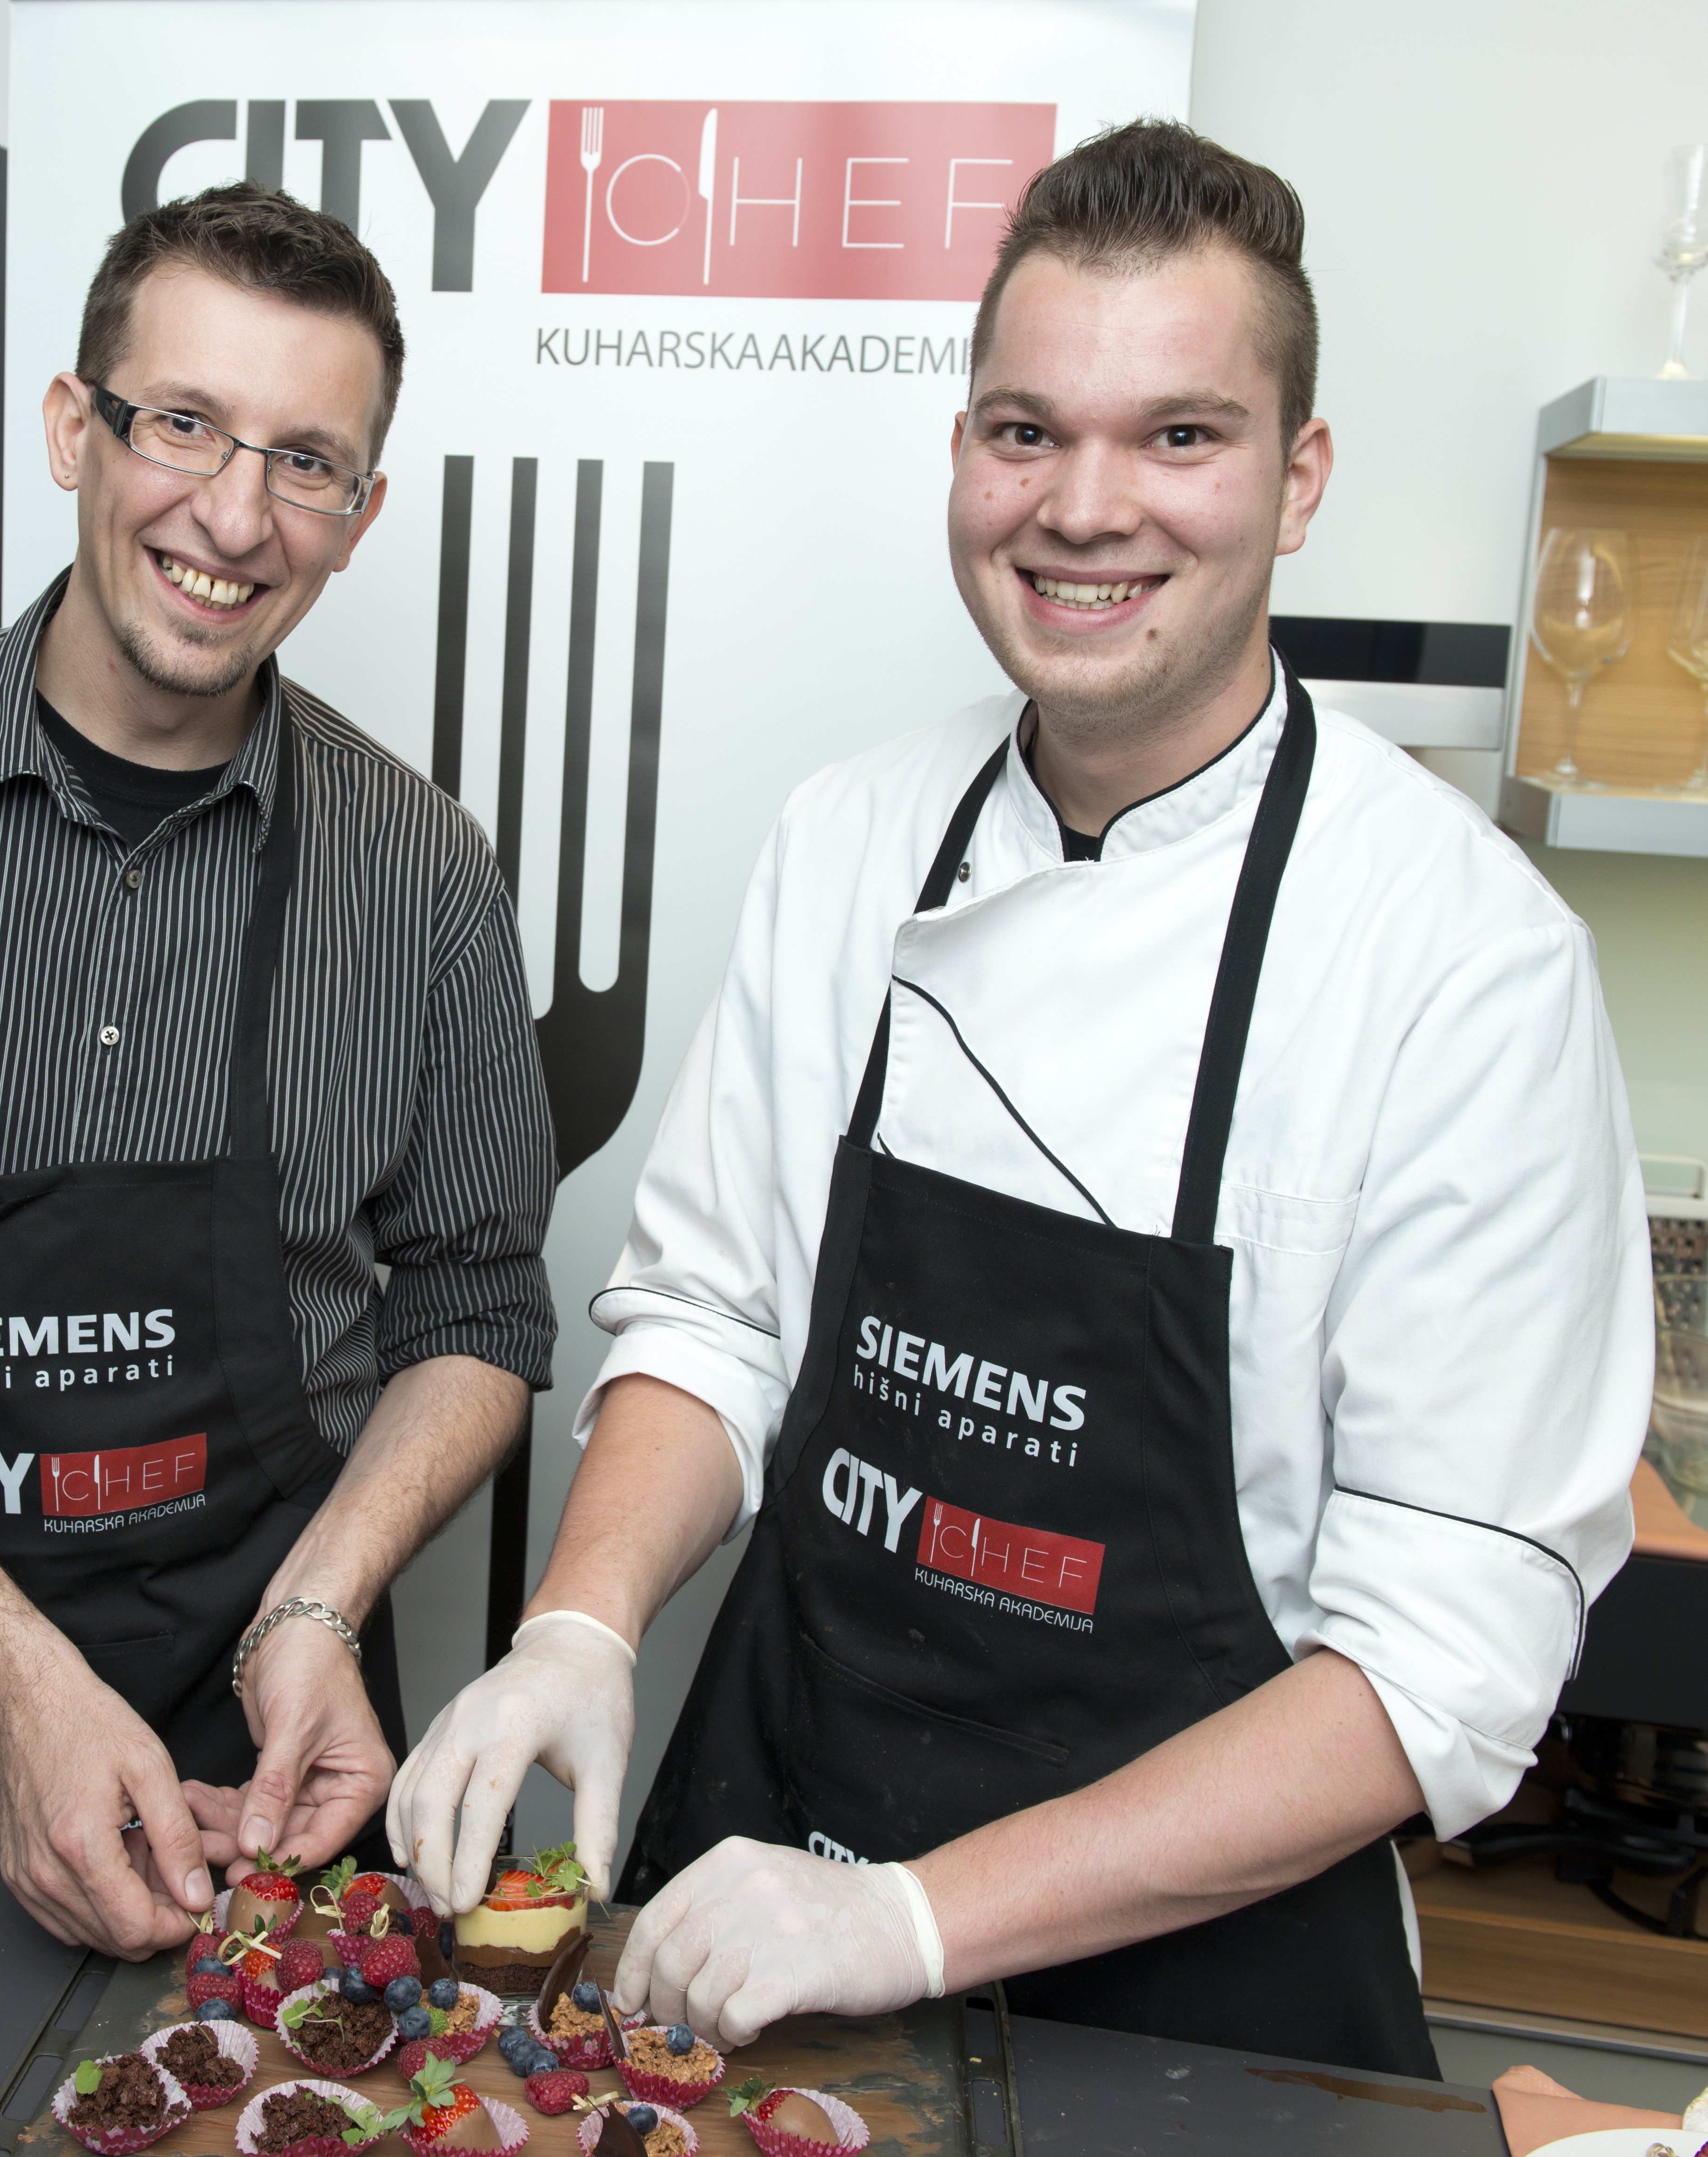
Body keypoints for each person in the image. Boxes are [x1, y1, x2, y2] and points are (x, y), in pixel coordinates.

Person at [387, 122, 1650, 2074]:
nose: (1082, 507)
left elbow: (1437, 1664)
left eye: (1178, 435)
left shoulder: (1462, 963)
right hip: (768, 1864)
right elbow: (716, 1317)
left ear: (1299, 477)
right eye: (1024, 431)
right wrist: (582, 1618)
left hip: (1201, 2009)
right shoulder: (849, 838)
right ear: (963, 452)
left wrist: (912, 1916)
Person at [0, 184, 557, 1959]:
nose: (235, 515)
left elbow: (480, 1301)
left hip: (265, 1770)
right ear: (77, 427)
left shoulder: (421, 868)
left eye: (307, 463)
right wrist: (23, 1683)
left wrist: (320, 1606)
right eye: (183, 424)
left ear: (361, 516)